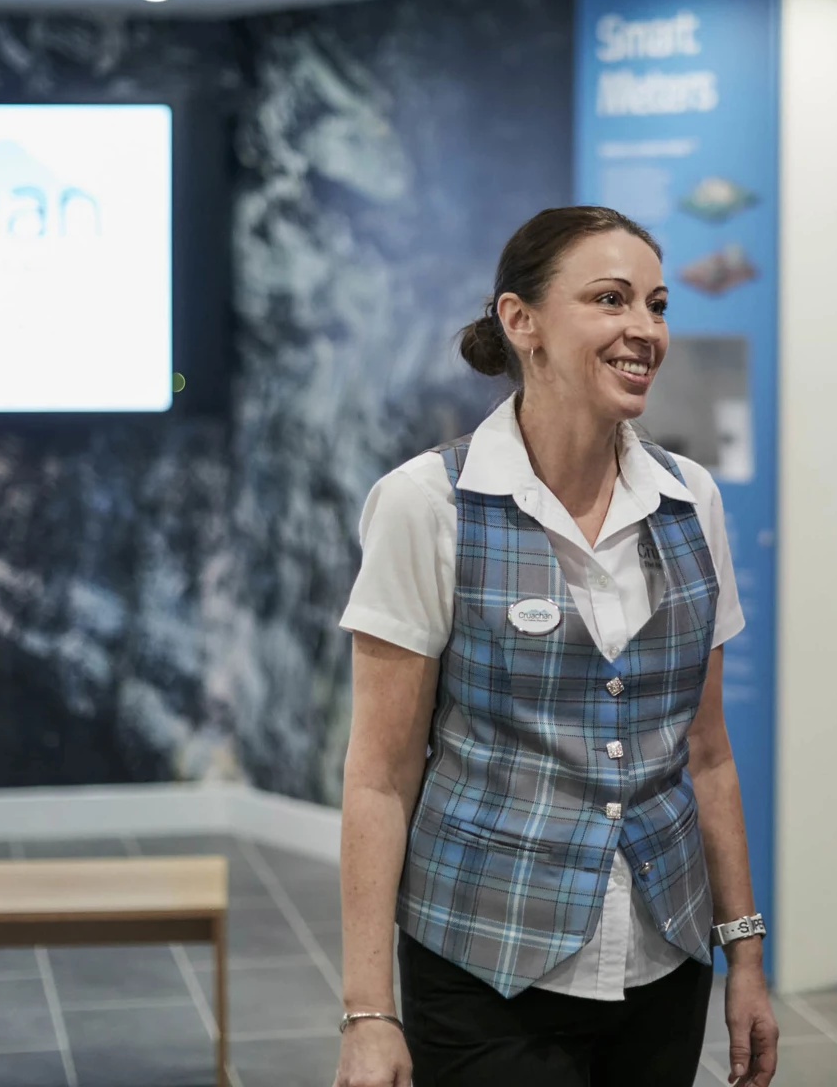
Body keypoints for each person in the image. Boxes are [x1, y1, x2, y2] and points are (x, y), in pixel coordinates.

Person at [333, 206, 779, 1087]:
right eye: (610, 300)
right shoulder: (428, 503)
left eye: (656, 304)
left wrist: (746, 957)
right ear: (520, 321)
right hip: (484, 969)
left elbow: (710, 753)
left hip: (665, 959)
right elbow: (380, 778)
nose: (644, 330)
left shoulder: (694, 501)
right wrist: (368, 1012)